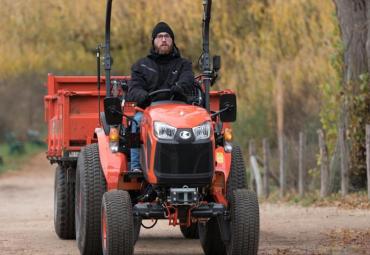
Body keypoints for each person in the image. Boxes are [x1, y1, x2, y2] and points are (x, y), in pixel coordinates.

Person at [127, 21, 195, 172]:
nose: (164, 39)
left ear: (172, 40)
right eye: (160, 36)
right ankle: (136, 166)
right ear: (154, 41)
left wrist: (180, 88)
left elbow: (188, 79)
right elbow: (134, 88)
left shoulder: (183, 64)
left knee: (198, 126)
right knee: (136, 122)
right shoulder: (142, 65)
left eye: (167, 36)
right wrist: (142, 96)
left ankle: (193, 166)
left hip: (179, 110)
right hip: (150, 109)